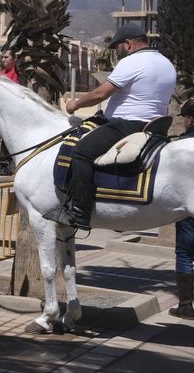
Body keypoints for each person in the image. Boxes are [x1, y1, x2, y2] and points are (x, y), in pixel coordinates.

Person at [57, 22, 176, 229]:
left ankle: (80, 213)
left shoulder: (132, 62)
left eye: (117, 47)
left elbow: (101, 93)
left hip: (126, 126)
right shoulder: (166, 63)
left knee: (81, 153)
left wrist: (74, 104)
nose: (116, 52)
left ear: (128, 44)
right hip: (155, 127)